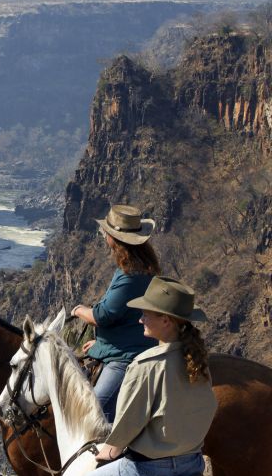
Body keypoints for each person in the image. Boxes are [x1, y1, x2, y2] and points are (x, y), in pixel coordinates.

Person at [90, 276, 217, 476]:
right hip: (191, 463)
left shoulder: (146, 365)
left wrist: (110, 449)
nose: (141, 320)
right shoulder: (199, 359)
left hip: (146, 468)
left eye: (145, 315)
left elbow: (129, 420)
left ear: (165, 320)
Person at [70, 204, 159, 422]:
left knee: (94, 412)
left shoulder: (130, 275)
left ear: (115, 239)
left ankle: (113, 453)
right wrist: (101, 347)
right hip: (123, 346)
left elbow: (103, 315)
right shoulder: (139, 267)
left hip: (126, 356)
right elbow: (125, 317)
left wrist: (79, 310)